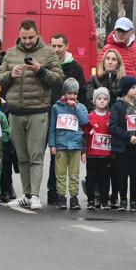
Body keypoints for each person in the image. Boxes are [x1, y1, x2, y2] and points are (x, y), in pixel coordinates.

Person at [0, 19, 63, 210]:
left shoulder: (48, 52)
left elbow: (58, 79)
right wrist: (10, 75)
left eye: (31, 37)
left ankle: (35, 195)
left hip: (38, 110)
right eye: (24, 37)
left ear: (38, 34)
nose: (27, 41)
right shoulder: (10, 53)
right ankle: (25, 194)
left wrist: (40, 71)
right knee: (22, 157)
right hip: (16, 111)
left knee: (35, 156)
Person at [46, 33, 88, 206]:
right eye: (53, 46)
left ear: (66, 46)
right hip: (53, 111)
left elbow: (83, 91)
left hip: (72, 117)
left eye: (60, 46)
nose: (56, 50)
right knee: (55, 159)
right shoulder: (47, 64)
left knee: (73, 167)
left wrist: (78, 108)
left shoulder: (75, 67)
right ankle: (54, 192)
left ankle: (73, 196)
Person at [108, 76, 136, 212]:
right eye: (133, 88)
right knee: (122, 174)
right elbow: (113, 126)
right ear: (126, 90)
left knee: (135, 174)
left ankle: (134, 200)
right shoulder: (118, 106)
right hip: (122, 147)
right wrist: (128, 136)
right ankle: (123, 200)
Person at [49, 78, 89, 210]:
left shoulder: (81, 107)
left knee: (74, 173)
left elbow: (84, 121)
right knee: (60, 173)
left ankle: (73, 197)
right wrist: (52, 144)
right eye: (69, 93)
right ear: (64, 94)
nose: (72, 96)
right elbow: (52, 127)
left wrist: (76, 108)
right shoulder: (56, 108)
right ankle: (61, 196)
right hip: (61, 145)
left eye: (74, 94)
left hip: (76, 145)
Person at [83, 87, 113, 209]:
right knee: (91, 177)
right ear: (95, 101)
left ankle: (104, 200)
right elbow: (85, 135)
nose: (102, 101)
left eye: (105, 99)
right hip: (92, 153)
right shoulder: (89, 117)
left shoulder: (111, 117)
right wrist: (83, 152)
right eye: (99, 98)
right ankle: (91, 200)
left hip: (106, 154)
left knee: (105, 177)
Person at [99, 17, 136, 95]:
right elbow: (100, 75)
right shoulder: (107, 49)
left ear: (131, 32)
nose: (120, 34)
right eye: (118, 31)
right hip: (118, 97)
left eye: (124, 31)